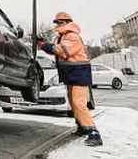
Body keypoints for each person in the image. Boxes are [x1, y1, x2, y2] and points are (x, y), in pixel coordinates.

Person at [38, 12, 102, 147]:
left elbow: (61, 51)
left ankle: (94, 133)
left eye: (61, 22)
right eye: (57, 22)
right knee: (73, 104)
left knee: (79, 103)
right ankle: (82, 127)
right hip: (70, 74)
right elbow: (53, 50)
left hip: (79, 73)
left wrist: (43, 44)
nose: (58, 24)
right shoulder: (60, 37)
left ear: (68, 22)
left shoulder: (73, 36)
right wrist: (41, 43)